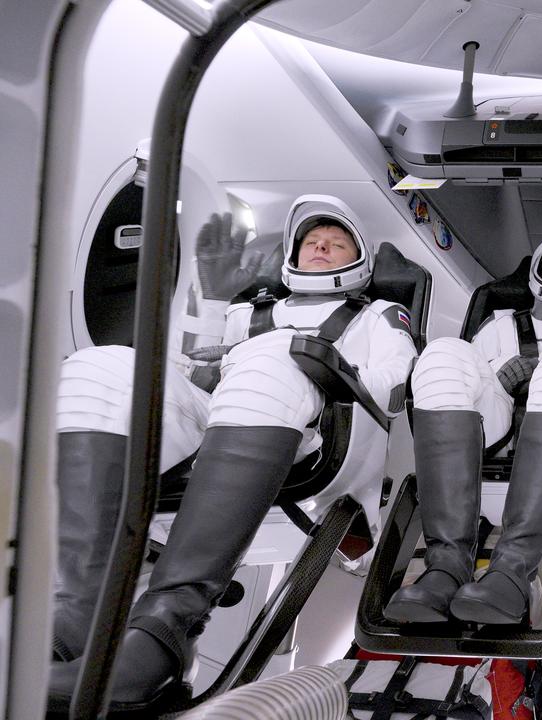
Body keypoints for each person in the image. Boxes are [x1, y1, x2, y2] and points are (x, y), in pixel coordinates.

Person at [48, 195, 418, 709]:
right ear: (293, 253)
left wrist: (314, 359)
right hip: (222, 417)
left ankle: (166, 631)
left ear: (359, 261)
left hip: (325, 435)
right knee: (103, 366)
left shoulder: (378, 315)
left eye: (335, 242)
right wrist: (212, 301)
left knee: (272, 363)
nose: (322, 246)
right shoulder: (247, 311)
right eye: (312, 240)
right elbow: (185, 366)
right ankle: (74, 613)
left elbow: (395, 385)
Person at [383, 235, 542, 625]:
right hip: (495, 429)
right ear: (537, 273)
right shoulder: (499, 323)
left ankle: (511, 571)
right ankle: (444, 568)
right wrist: (503, 379)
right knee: (443, 353)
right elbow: (471, 375)